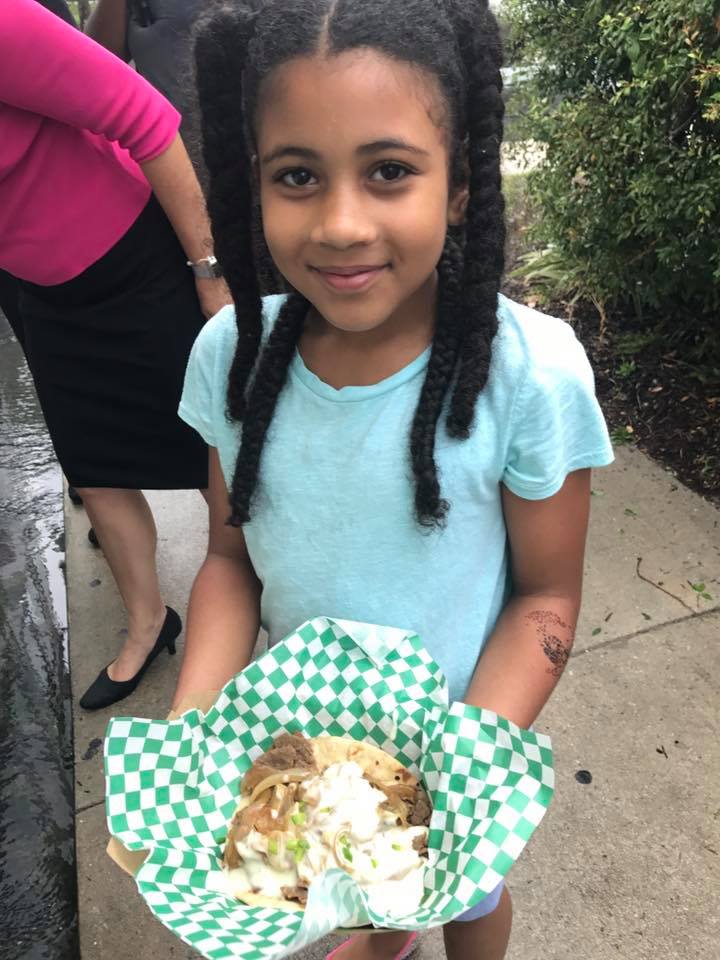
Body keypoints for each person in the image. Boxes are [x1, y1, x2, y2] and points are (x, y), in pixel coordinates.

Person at [175, 1, 614, 958]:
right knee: (348, 941)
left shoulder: (530, 374)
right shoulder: (230, 357)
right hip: (297, 766)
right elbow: (225, 560)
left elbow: (546, 598)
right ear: (253, 186)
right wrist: (189, 735)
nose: (341, 223)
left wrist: (452, 780)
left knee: (468, 898)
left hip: (462, 748)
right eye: (297, 175)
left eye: (389, 172)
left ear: (458, 185)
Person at [0, 0, 231, 711]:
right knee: (95, 470)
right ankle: (148, 622)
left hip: (139, 267)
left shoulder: (7, 25)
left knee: (210, 450)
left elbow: (146, 118)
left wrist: (208, 272)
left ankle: (268, 599)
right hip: (40, 293)